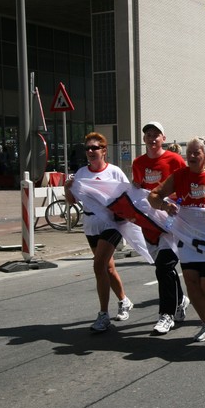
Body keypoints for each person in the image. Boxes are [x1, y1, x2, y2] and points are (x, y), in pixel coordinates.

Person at [147, 137, 205, 342]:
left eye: (196, 152)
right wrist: (164, 206)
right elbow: (153, 196)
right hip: (188, 238)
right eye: (189, 152)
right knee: (191, 282)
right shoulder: (179, 176)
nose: (191, 156)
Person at [63, 132, 134, 333]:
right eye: (87, 148)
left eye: (95, 147)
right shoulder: (81, 174)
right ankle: (124, 300)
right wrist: (67, 188)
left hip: (111, 223)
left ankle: (103, 315)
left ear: (104, 150)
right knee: (108, 268)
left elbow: (128, 195)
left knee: (98, 265)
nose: (91, 151)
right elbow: (72, 200)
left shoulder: (114, 172)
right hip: (91, 224)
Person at [131, 121, 191, 335]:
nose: (152, 138)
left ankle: (166, 314)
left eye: (156, 134)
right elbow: (137, 190)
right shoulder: (138, 163)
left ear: (163, 138)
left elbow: (185, 185)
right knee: (164, 267)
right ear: (144, 139)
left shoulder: (174, 160)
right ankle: (180, 299)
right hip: (150, 223)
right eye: (148, 134)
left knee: (164, 266)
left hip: (171, 219)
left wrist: (175, 204)